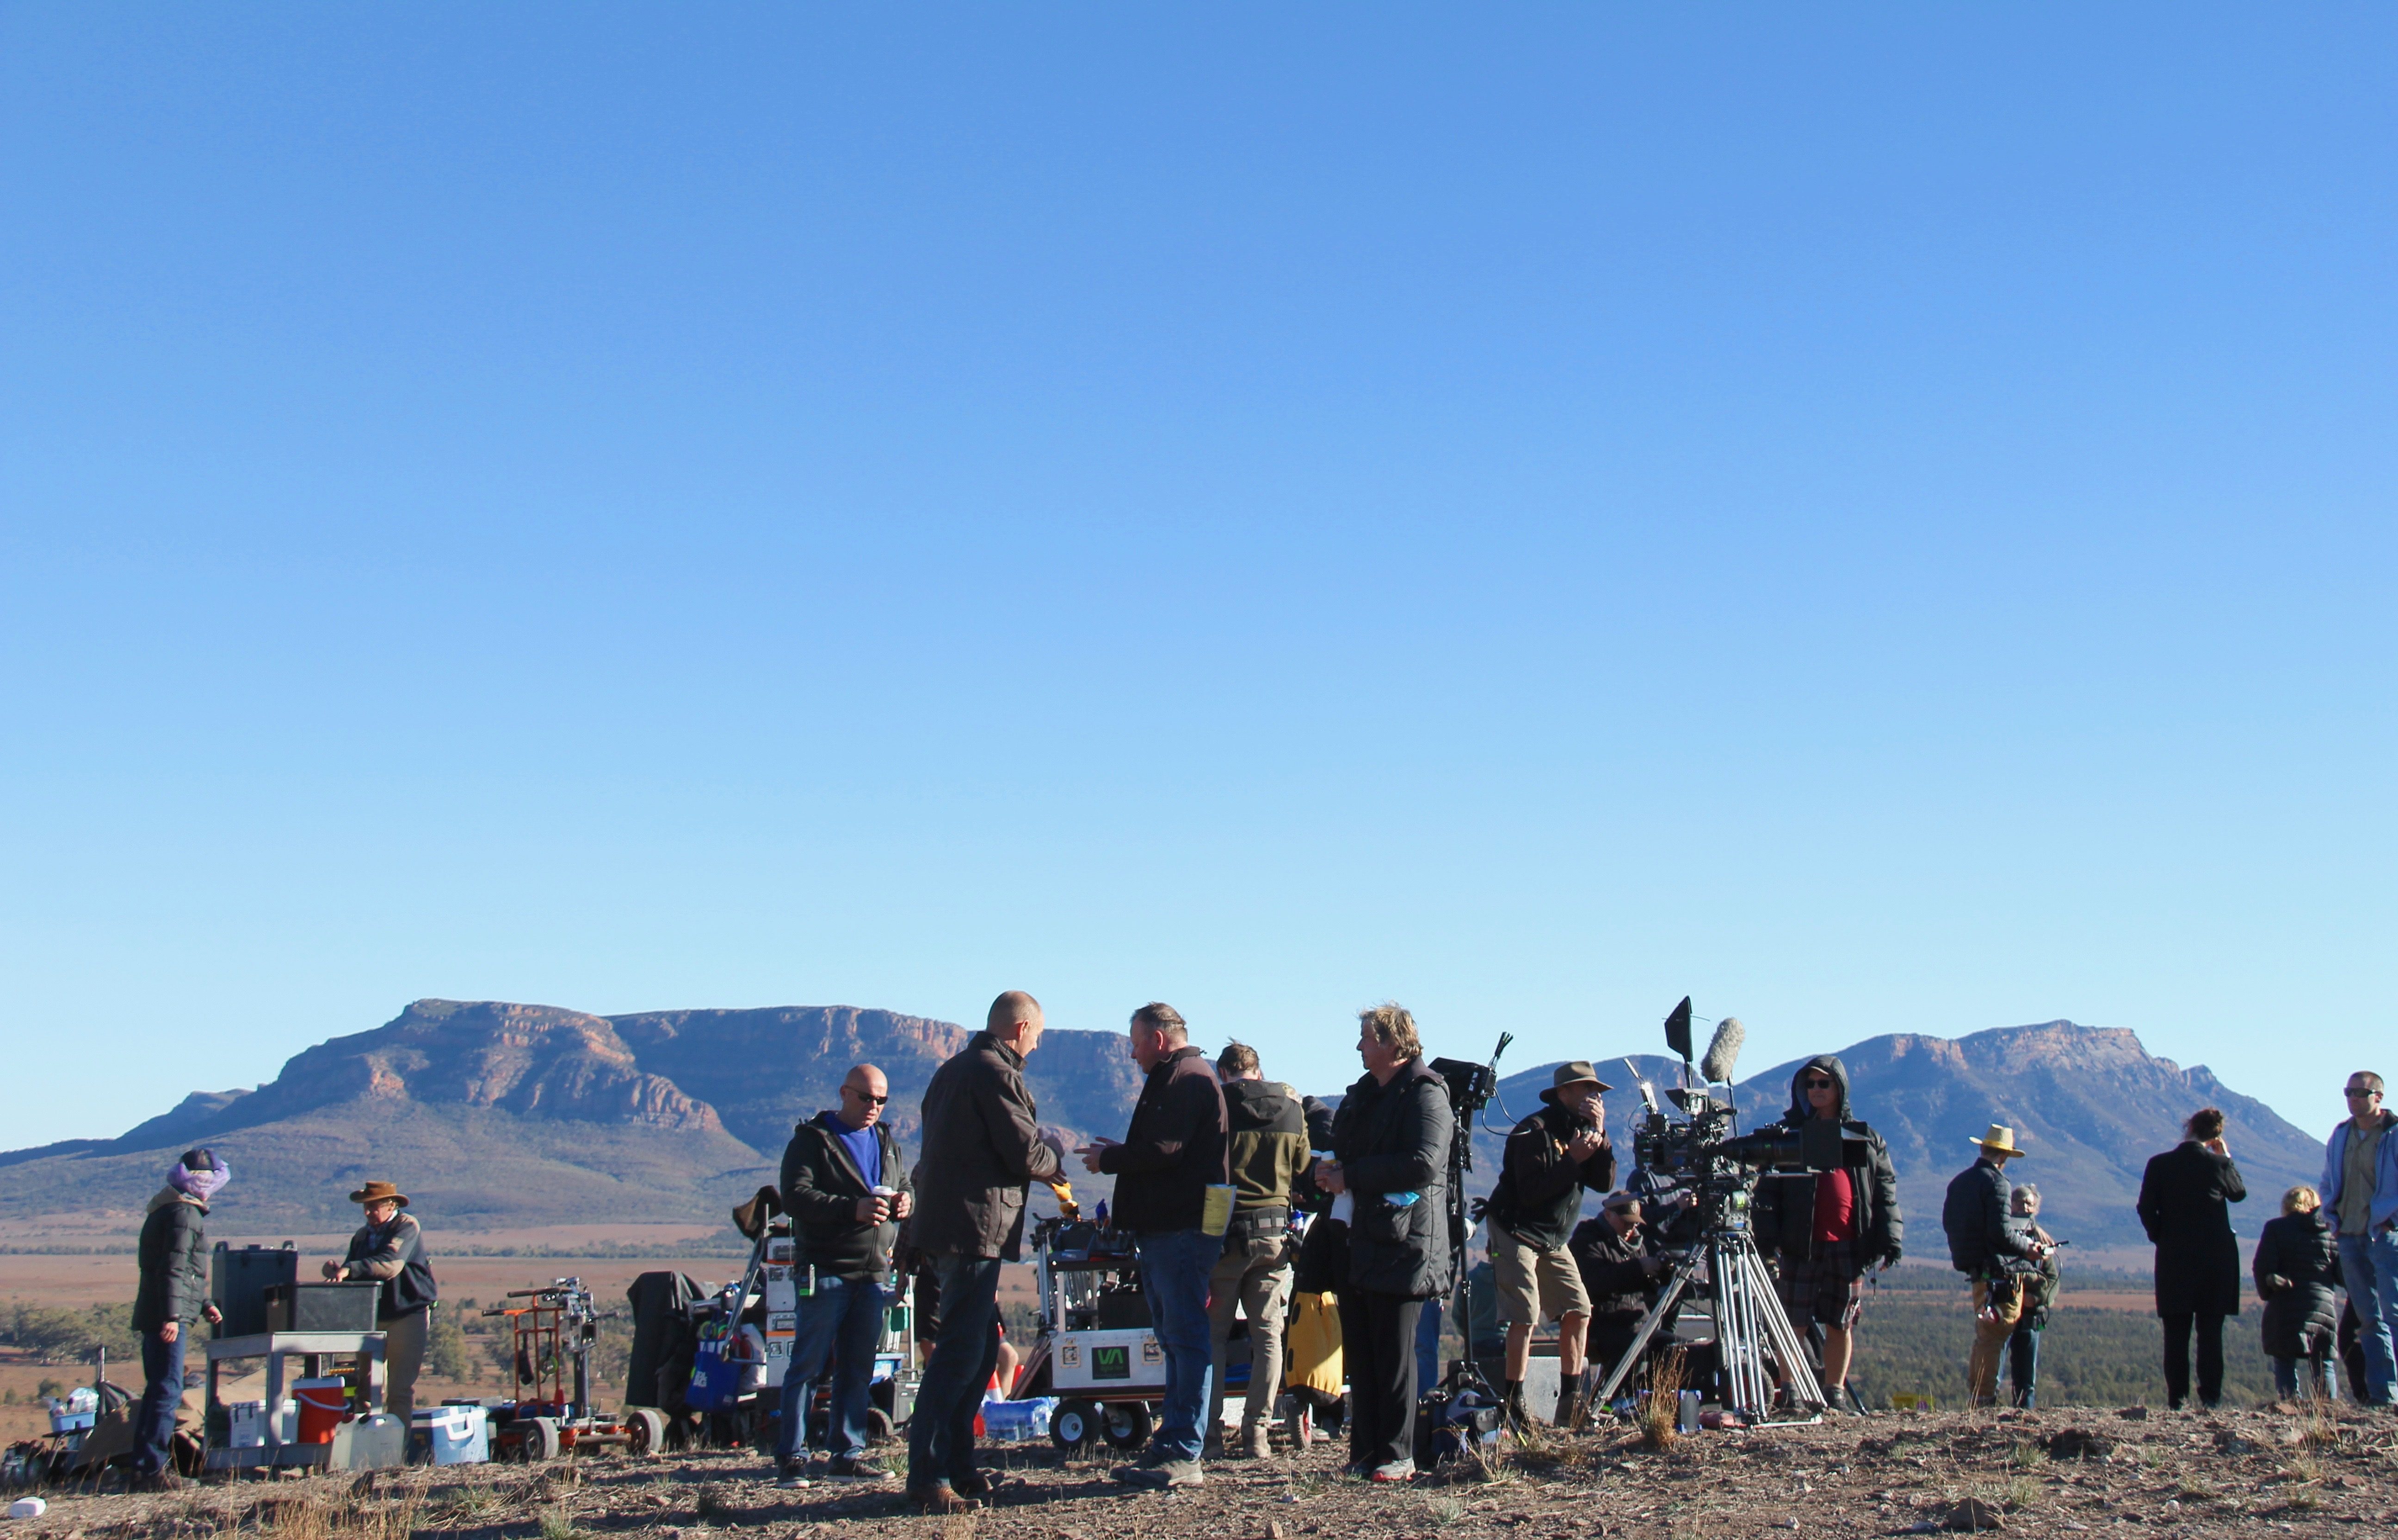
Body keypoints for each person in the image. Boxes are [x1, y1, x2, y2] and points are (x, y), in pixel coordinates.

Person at [903, 990, 1066, 1514]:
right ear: (1020, 1030)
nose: (1036, 1047)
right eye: (1037, 1037)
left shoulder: (950, 1072)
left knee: (973, 1356)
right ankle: (929, 1476)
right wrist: (1055, 1154)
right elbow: (1022, 1151)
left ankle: (958, 1465)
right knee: (958, 1355)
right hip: (972, 1231)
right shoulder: (994, 1074)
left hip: (953, 1230)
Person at [1083, 1003, 1229, 1490]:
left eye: (1137, 1042)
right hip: (1171, 1229)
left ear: (1160, 1040)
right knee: (1175, 1338)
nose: (1131, 1053)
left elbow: (1166, 1150)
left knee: (1186, 1338)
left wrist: (1110, 1160)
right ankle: (1171, 1445)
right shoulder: (1182, 1076)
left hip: (1181, 1231)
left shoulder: (1185, 1078)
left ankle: (1185, 1451)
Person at [1317, 1003, 1454, 1484]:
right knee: (1364, 1352)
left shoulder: (1427, 1094)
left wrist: (1350, 1176)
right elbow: (1346, 1146)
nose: (1359, 1046)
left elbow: (1424, 1162)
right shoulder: (1365, 1096)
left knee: (1396, 1352)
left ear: (1394, 1043)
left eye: (1367, 1038)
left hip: (1406, 1241)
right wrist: (1329, 1169)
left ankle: (1399, 1453)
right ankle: (1365, 1452)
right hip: (1361, 1238)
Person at [773, 1063, 915, 1486]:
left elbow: (905, 1182)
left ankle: (846, 1456)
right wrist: (849, 1209)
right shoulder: (813, 1142)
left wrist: (908, 1201)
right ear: (844, 1093)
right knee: (809, 1365)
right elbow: (795, 1196)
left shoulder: (886, 1141)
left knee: (858, 1366)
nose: (874, 1106)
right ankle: (792, 1458)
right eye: (866, 1097)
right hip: (826, 1269)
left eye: (882, 1099)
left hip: (873, 1273)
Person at [1750, 1054, 1903, 1408]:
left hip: (1851, 1243)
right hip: (1800, 1244)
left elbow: (1885, 1190)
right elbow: (1768, 1192)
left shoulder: (1866, 1138)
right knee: (1793, 1321)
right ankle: (1789, 1390)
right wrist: (1768, 1239)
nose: (1816, 1090)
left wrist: (1890, 1241)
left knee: (1842, 1322)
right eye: (1811, 1084)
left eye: (1824, 1083)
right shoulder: (1790, 1137)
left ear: (1840, 1088)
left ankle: (1834, 1391)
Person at [1483, 1062, 1616, 1429]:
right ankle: (1512, 1405)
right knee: (1524, 1314)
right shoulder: (1533, 1131)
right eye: (1586, 1089)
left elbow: (1605, 1183)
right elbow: (1530, 1195)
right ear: (1564, 1094)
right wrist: (1572, 1159)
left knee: (1579, 1308)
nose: (1595, 1097)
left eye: (1598, 1092)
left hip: (1554, 1239)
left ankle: (1571, 1402)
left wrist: (1600, 1136)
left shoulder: (1585, 1131)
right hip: (1515, 1230)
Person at [1205, 1041, 1307, 1460]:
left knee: (1211, 1338)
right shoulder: (1292, 1109)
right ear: (1258, 1072)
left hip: (1222, 1234)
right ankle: (1258, 1434)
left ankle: (1208, 1436)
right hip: (1274, 1237)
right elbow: (1301, 1168)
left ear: (1223, 1073)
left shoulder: (1215, 1106)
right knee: (1268, 1335)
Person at [2135, 1107, 2247, 1411]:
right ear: (2216, 1135)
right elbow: (2238, 1194)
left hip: (2174, 1260)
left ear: (2189, 1128)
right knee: (2211, 1333)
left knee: (2176, 1333)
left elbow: (2145, 1207)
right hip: (2217, 1260)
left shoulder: (2159, 1164)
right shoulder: (2218, 1164)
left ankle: (2178, 1400)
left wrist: (2162, 1237)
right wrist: (2226, 1156)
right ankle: (2211, 1399)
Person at [129, 1150, 228, 1491]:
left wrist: (202, 1303)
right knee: (167, 1389)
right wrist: (172, 1316)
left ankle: (144, 1465)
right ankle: (152, 1468)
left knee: (159, 1387)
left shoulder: (169, 1210)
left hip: (162, 1312)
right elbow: (174, 1268)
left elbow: (179, 1269)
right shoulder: (185, 1215)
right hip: (167, 1316)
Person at [1941, 1125, 2047, 1409]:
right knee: (1996, 1334)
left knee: (1984, 1333)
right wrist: (2028, 1249)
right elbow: (2001, 1232)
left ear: (1983, 1149)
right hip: (2001, 1275)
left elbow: (1949, 1223)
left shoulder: (1960, 1182)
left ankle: (1977, 1394)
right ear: (2005, 1156)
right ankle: (1985, 1398)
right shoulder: (1998, 1184)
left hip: (1976, 1271)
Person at [325, 1180, 438, 1422]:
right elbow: (352, 1271)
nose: (367, 1213)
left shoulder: (406, 1226)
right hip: (372, 1317)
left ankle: (396, 1451)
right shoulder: (362, 1236)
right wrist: (337, 1271)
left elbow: (391, 1265)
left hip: (407, 1314)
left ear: (391, 1205)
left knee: (399, 1390)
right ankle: (364, 1448)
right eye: (365, 1207)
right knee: (365, 1390)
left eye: (373, 1207)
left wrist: (350, 1269)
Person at [2319, 1071, 2398, 1405]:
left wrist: (2391, 1221)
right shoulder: (2340, 1135)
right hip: (2349, 1235)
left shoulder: (2393, 1136)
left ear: (2378, 1097)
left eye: (2360, 1092)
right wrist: (2331, 1216)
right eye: (2348, 1092)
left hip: (2384, 1235)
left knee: (2394, 1314)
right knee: (2369, 1320)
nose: (2353, 1098)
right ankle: (2383, 1395)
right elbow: (2328, 1180)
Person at [2254, 1184, 2342, 1403]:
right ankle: (2327, 1410)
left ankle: (2290, 1407)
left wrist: (2269, 1288)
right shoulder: (2330, 1231)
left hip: (2286, 1304)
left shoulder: (2275, 1228)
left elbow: (2263, 1267)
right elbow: (2341, 1274)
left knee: (2285, 1360)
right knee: (2324, 1363)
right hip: (2323, 1306)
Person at [1569, 1191, 1664, 1389]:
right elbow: (1595, 1283)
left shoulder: (1637, 1245)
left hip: (1637, 1322)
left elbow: (1645, 1288)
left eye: (1635, 1223)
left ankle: (1655, 1398)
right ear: (1609, 1215)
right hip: (1604, 1324)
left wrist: (1661, 1274)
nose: (1631, 1228)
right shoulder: (1588, 1241)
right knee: (1631, 1347)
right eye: (1626, 1222)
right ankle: (1613, 1401)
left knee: (1674, 1348)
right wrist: (1638, 1268)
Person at [2002, 1185, 2061, 1410]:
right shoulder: (2003, 1234)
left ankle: (2025, 1416)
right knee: (1994, 1369)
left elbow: (2052, 1277)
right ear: (2010, 1204)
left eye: (2029, 1203)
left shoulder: (2042, 1238)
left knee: (2026, 1376)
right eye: (2019, 1202)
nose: (2024, 1207)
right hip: (2005, 1310)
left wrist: (2038, 1300)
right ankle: (1987, 1412)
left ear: (2036, 1208)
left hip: (2030, 1315)